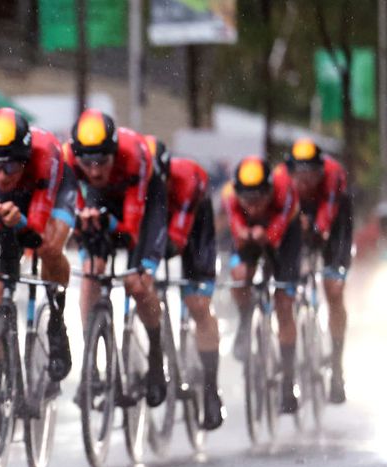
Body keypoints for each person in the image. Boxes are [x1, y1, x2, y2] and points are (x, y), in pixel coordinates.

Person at [0, 107, 75, 397]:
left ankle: (56, 318)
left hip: (47, 193)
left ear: (24, 158)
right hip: (4, 202)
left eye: (11, 167)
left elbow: (36, 232)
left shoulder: (46, 152)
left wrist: (23, 223)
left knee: (50, 247)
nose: (2, 176)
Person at [65, 110, 168, 408]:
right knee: (91, 272)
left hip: (146, 203)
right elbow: (75, 209)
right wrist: (84, 222)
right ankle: (90, 367)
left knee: (137, 282)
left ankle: (156, 356)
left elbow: (132, 231)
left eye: (102, 162)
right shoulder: (70, 159)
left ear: (114, 153)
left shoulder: (134, 153)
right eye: (88, 163)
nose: (95, 171)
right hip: (103, 199)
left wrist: (109, 225)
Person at [145, 135, 223, 429]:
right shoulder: (138, 180)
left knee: (198, 303)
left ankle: (211, 390)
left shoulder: (186, 178)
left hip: (194, 217)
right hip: (156, 213)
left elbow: (177, 240)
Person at [224, 156, 301, 413]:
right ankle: (246, 321)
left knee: (283, 302)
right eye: (248, 200)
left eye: (259, 199)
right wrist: (245, 234)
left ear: (270, 192)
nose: (254, 206)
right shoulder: (230, 197)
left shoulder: (285, 190)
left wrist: (268, 235)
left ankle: (288, 382)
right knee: (239, 274)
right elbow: (236, 225)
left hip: (286, 232)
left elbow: (278, 228)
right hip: (251, 232)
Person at [284, 138, 352, 403]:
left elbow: (326, 219)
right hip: (300, 217)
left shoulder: (333, 176)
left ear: (320, 171)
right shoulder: (283, 182)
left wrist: (316, 231)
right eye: (299, 175)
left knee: (333, 289)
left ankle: (336, 365)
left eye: (311, 174)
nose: (305, 181)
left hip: (335, 222)